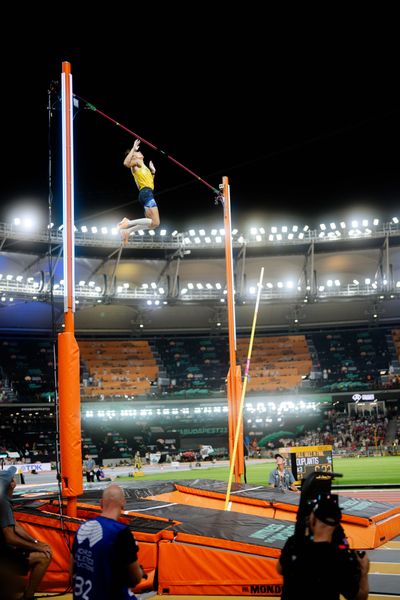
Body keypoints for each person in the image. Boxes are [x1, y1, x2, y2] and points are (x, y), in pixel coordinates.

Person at [277, 496, 369, 600]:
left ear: (312, 520)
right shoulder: (340, 558)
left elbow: (280, 569)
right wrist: (364, 571)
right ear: (336, 524)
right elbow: (360, 597)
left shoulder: (294, 543)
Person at [71, 484, 146, 600]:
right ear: (123, 503)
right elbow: (134, 579)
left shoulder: (82, 528)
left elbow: (72, 571)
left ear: (101, 503)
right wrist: (140, 572)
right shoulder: (121, 533)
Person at [0, 466, 52, 600]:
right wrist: (37, 547)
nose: (15, 481)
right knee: (44, 557)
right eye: (12, 479)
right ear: (10, 484)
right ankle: (28, 596)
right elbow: (10, 537)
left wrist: (35, 541)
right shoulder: (3, 503)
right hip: (3, 556)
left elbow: (16, 526)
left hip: (4, 551)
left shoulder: (4, 500)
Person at [118, 138, 159, 243]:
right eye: (138, 151)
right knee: (156, 222)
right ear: (135, 156)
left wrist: (153, 172)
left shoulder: (143, 166)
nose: (140, 151)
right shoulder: (136, 163)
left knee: (152, 224)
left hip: (146, 192)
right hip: (146, 194)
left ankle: (128, 230)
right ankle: (128, 223)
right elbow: (126, 163)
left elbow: (150, 184)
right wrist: (133, 148)